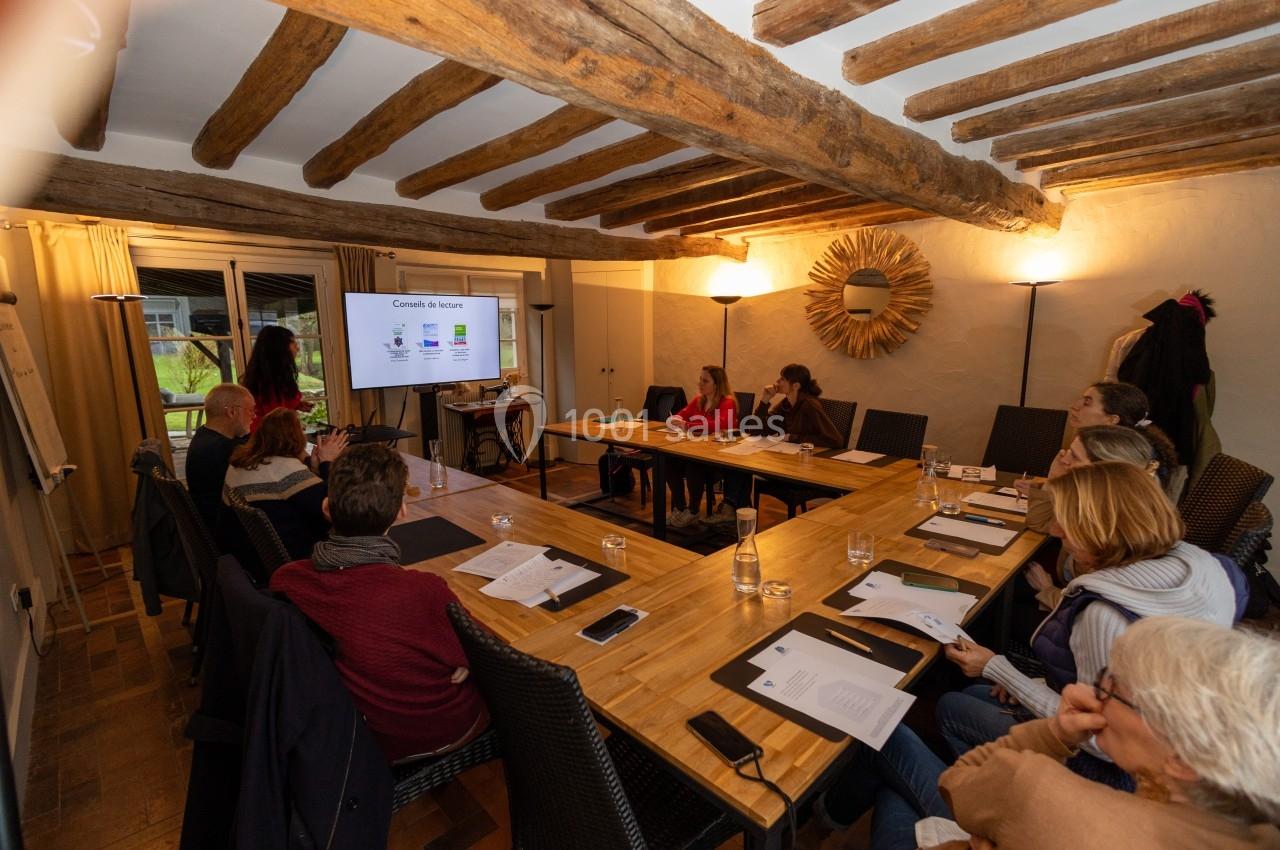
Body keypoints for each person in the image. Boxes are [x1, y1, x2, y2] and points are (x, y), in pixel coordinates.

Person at [819, 617, 1280, 850]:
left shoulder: (1043, 792)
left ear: (1184, 756)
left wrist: (1056, 732)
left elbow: (956, 784)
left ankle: (823, 819)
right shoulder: (1258, 831)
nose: (1089, 691)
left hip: (989, 801)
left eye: (1112, 688)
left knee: (886, 742)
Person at [936, 462, 1235, 787]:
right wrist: (1030, 682)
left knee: (952, 705)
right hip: (1182, 743)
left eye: (1064, 519)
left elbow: (1096, 736)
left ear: (1099, 526)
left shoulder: (1103, 613)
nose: (1054, 529)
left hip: (1114, 772)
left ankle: (993, 810)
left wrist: (996, 666)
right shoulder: (1206, 564)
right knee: (975, 693)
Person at [269, 444, 489, 764]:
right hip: (426, 731)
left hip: (349, 725)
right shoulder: (422, 592)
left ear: (327, 508)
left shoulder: (288, 579)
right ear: (402, 510)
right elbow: (483, 651)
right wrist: (467, 658)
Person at [224, 408, 345, 560]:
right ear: (296, 438)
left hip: (250, 553)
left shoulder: (238, 463)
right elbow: (336, 507)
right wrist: (328, 463)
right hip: (298, 555)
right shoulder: (285, 471)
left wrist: (313, 467)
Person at [1065, 381, 1181, 494]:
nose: (1074, 406)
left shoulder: (1117, 457)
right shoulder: (1101, 446)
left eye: (1086, 403)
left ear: (1112, 420)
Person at [665, 365, 740, 528]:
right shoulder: (700, 399)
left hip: (717, 457)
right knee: (666, 461)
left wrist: (688, 425)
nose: (700, 383)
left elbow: (719, 424)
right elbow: (682, 414)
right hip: (695, 449)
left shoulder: (727, 402)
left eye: (705, 380)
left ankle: (693, 511)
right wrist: (675, 419)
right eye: (700, 379)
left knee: (694, 464)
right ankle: (680, 507)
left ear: (717, 384)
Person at [185, 383, 254, 535]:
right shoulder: (220, 449)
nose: (254, 416)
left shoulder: (204, 435)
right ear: (232, 412)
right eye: (250, 410)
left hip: (209, 523)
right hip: (228, 531)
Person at [751, 363, 842, 448]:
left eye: (783, 379)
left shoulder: (810, 405)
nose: (777, 381)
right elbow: (757, 431)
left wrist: (793, 438)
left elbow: (835, 440)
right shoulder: (786, 404)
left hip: (811, 459)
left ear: (796, 386)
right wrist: (765, 400)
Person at [242, 324, 313, 431]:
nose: (297, 348)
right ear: (281, 347)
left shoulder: (276, 375)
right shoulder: (266, 383)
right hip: (270, 439)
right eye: (293, 343)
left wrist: (297, 405)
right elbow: (274, 418)